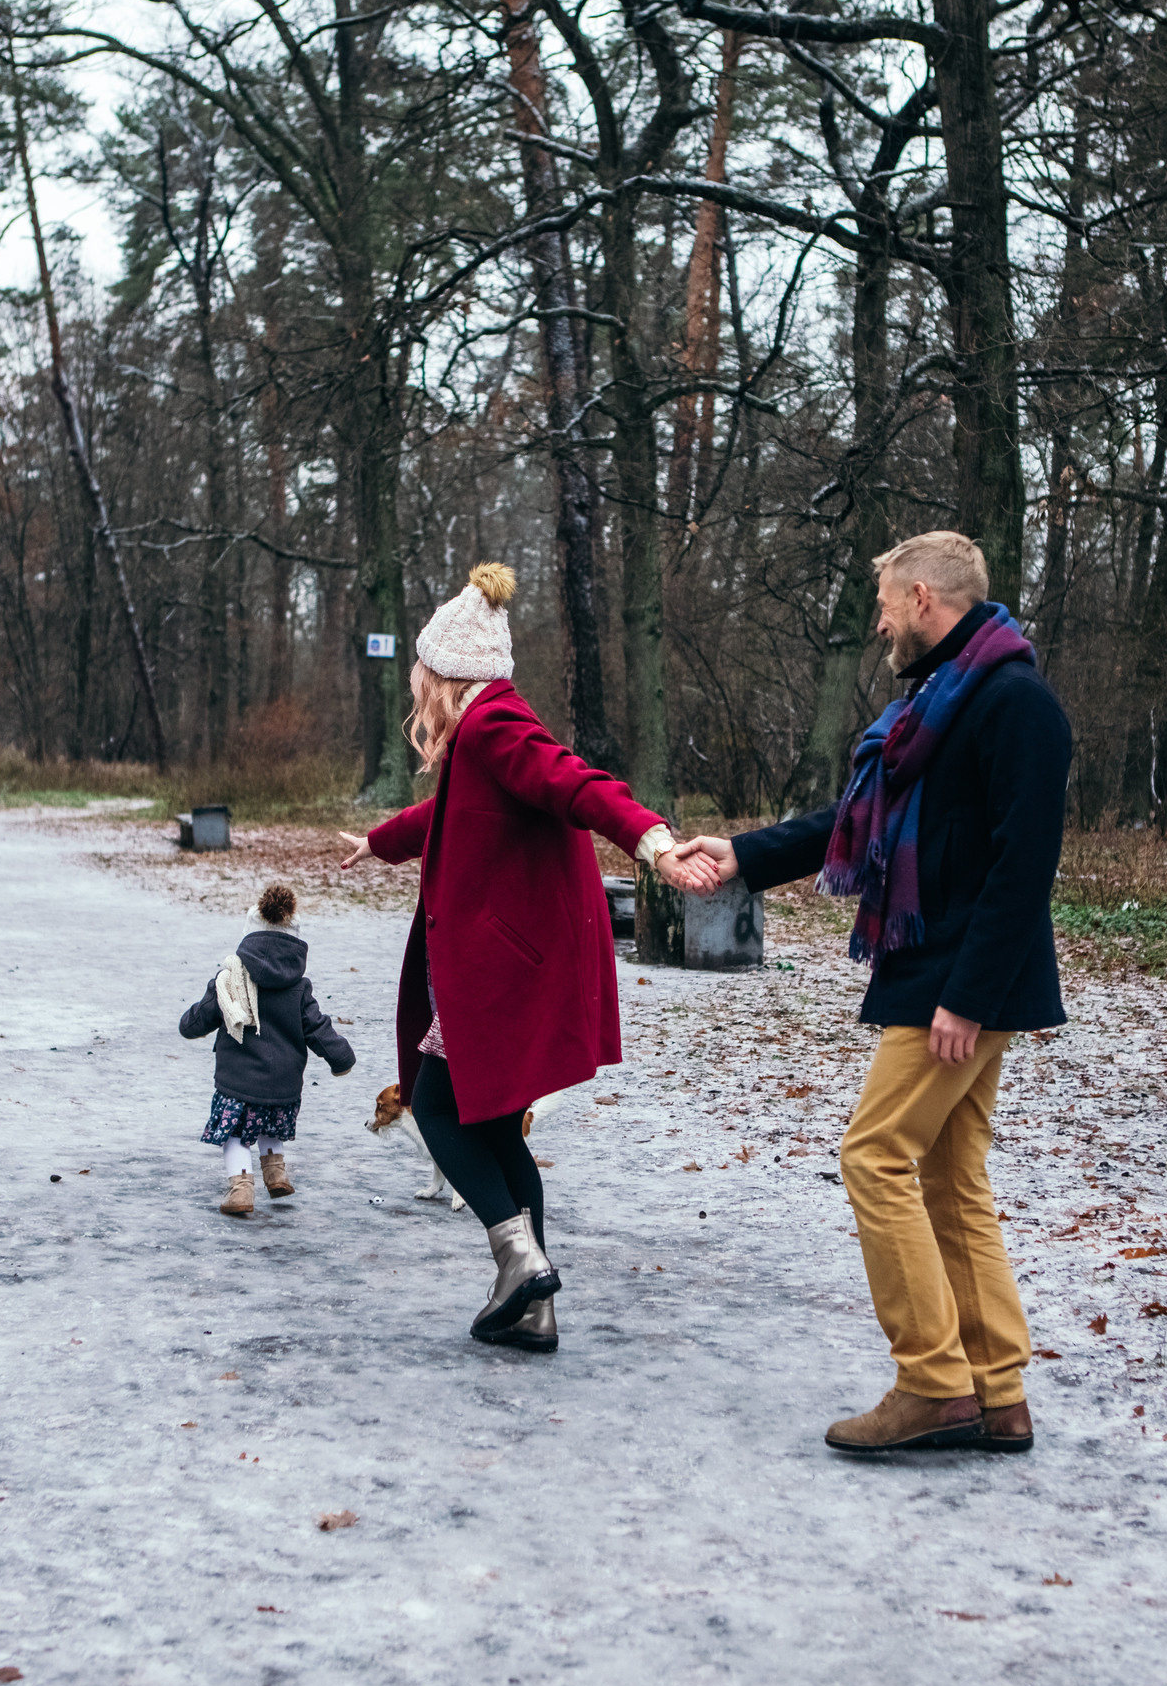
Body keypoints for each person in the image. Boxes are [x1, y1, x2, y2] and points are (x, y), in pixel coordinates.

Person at [679, 531, 1071, 1455]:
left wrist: (967, 997)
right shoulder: (939, 700)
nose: (881, 622)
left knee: (874, 1156)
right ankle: (997, 1388)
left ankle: (934, 1382)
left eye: (889, 603)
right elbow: (856, 819)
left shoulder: (1013, 703)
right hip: (934, 967)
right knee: (947, 1171)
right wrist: (745, 854)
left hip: (960, 976)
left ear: (928, 598)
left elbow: (1025, 871)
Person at [337, 563, 719, 1352]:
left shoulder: (496, 726)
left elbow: (575, 782)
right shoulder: (481, 734)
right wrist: (376, 843)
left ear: (447, 678)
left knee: (437, 1108)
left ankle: (519, 1260)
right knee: (500, 1130)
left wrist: (651, 840)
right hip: (505, 964)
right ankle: (534, 1309)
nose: (418, 691)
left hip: (501, 971)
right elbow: (444, 814)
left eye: (424, 676)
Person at [180, 883, 356, 1217]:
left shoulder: (229, 979)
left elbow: (199, 1019)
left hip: (238, 1083)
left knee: (234, 1135)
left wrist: (188, 1024)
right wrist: (341, 1058)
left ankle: (241, 1188)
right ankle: (275, 1174)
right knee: (269, 1127)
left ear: (249, 936)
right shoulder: (299, 987)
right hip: (284, 1085)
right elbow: (317, 1026)